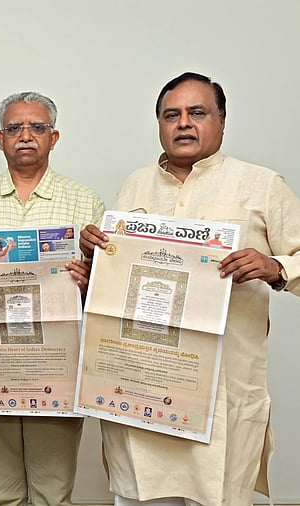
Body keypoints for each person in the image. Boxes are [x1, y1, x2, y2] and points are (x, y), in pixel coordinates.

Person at [80, 72, 300, 505]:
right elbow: (119, 281)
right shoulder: (134, 186)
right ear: (159, 125)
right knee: (140, 496)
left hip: (223, 395)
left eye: (197, 113)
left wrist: (275, 267)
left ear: (221, 121)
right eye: (171, 115)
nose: (183, 124)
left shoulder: (260, 185)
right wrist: (94, 259)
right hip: (141, 389)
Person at [0, 92, 105, 506]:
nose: (26, 136)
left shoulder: (85, 202)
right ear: (0, 139)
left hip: (56, 358)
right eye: (15, 128)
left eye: (37, 127)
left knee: (53, 492)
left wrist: (89, 281)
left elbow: (106, 286)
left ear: (54, 138)